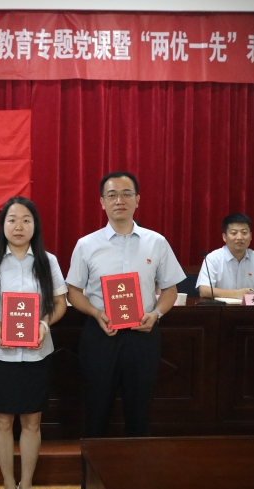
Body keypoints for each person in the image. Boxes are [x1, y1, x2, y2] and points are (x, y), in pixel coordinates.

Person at [66, 171, 185, 439]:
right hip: (101, 335)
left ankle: (137, 466)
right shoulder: (87, 245)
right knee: (96, 410)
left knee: (140, 411)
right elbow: (73, 291)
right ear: (102, 202)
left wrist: (156, 314)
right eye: (112, 195)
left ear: (137, 199)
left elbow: (170, 290)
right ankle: (94, 466)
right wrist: (96, 312)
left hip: (143, 335)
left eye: (126, 194)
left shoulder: (157, 242)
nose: (119, 200)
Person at [0, 197, 67, 489]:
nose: (19, 226)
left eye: (26, 220)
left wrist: (44, 325)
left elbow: (60, 303)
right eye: (12, 220)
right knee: (2, 420)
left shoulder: (48, 261)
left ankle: (27, 486)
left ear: (35, 225)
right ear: (3, 225)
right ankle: (9, 486)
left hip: (37, 352)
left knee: (32, 421)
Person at [196, 213, 254, 299]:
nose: (239, 237)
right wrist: (236, 294)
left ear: (251, 236)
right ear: (224, 237)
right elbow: (204, 290)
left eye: (244, 233)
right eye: (234, 233)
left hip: (249, 306)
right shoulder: (213, 258)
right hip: (221, 306)